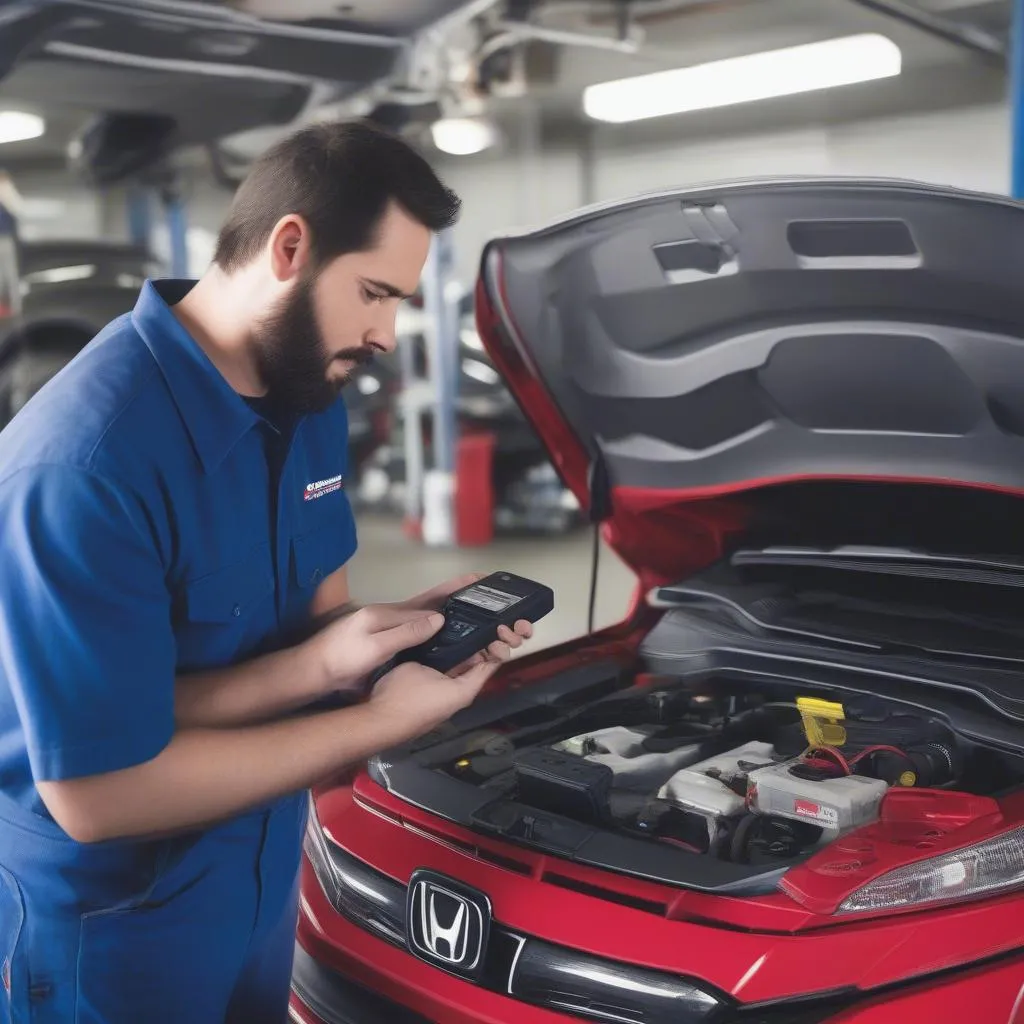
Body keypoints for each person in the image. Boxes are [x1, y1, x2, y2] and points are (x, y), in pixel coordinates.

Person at [0, 119, 532, 1023]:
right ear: (290, 246)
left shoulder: (307, 397)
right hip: (111, 924)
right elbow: (100, 793)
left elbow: (317, 626)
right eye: (374, 292)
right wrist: (372, 724)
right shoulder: (82, 467)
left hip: (260, 885)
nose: (385, 332)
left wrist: (387, 641)